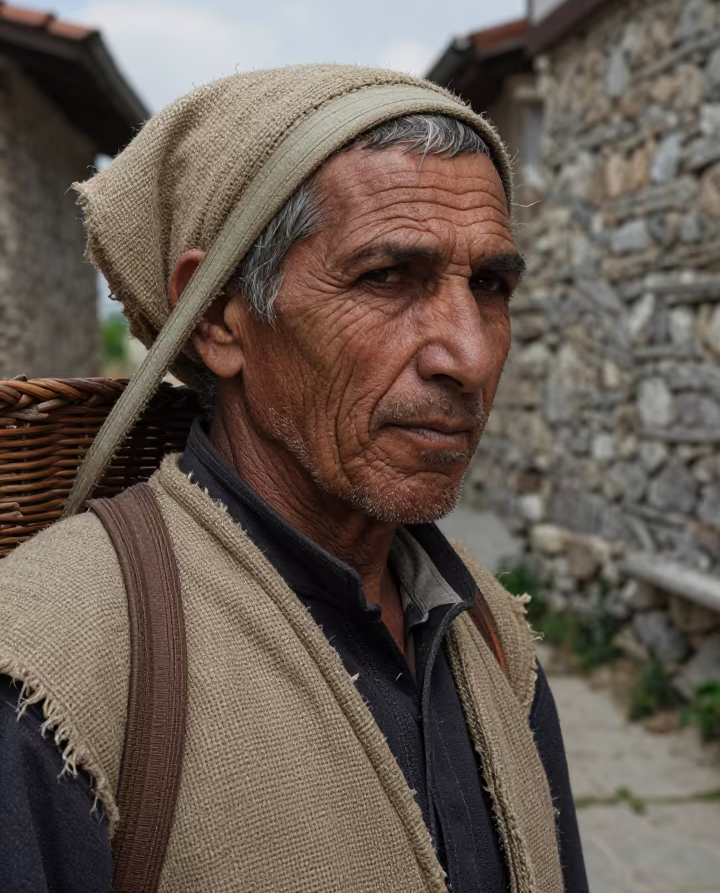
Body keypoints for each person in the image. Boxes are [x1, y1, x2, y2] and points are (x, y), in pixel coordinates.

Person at [0, 65, 587, 893]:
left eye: (490, 285)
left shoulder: (489, 633)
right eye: (388, 278)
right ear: (217, 317)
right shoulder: (59, 671)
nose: (472, 354)